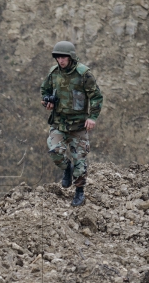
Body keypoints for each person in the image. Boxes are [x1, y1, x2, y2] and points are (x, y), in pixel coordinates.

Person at [40, 41, 103, 206]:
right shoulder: (54, 73)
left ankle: (79, 192)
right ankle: (66, 168)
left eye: (64, 57)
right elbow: (44, 90)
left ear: (71, 57)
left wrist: (93, 117)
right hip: (59, 123)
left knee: (80, 160)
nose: (61, 60)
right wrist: (48, 102)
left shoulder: (84, 74)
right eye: (58, 57)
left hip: (78, 126)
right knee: (54, 151)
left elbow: (96, 96)